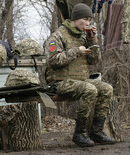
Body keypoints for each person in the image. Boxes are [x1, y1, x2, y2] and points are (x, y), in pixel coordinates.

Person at [44, 3, 115, 147]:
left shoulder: (84, 36)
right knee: (90, 89)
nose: (88, 23)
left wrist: (92, 39)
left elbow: (95, 60)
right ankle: (79, 133)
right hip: (61, 82)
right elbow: (53, 60)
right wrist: (76, 51)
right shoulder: (57, 36)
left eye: (90, 20)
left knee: (107, 88)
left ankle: (96, 131)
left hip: (81, 80)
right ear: (76, 18)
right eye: (86, 19)